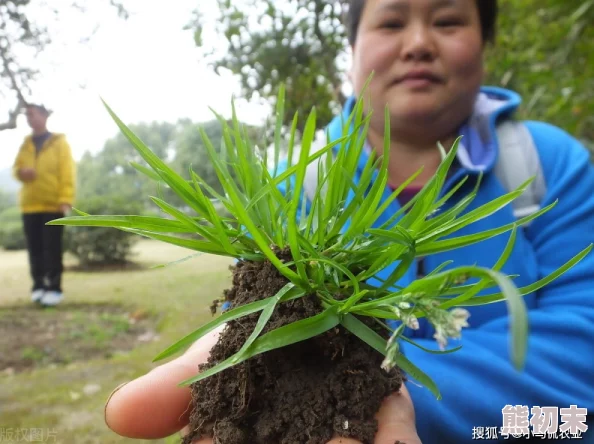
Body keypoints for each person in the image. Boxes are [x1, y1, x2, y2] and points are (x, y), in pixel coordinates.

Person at [104, 0, 594, 442]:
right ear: (353, 48)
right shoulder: (292, 184)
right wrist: (250, 354)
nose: (419, 43)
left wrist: (379, 386)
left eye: (447, 21)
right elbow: (260, 313)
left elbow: (582, 351)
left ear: (486, 45)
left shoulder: (544, 163)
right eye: (391, 21)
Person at [13, 103, 75, 307]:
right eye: (27, 115)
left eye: (32, 114)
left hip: (52, 206)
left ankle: (54, 288)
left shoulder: (59, 143)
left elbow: (67, 172)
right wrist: (21, 173)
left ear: (44, 116)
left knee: (52, 249)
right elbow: (17, 168)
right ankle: (38, 286)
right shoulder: (26, 144)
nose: (29, 118)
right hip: (29, 205)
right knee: (35, 249)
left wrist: (65, 198)